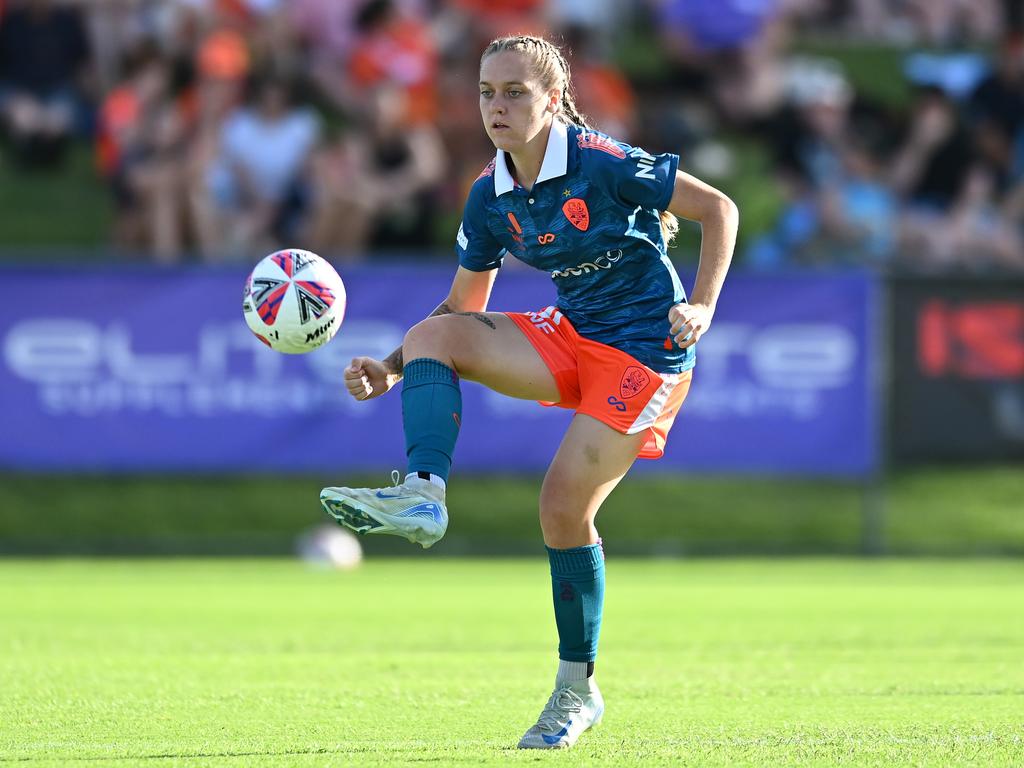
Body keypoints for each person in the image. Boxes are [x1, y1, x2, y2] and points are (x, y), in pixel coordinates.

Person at [319, 35, 737, 749]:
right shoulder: (489, 195)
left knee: (560, 510)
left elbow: (719, 209)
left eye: (514, 91)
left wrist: (701, 306)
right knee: (432, 337)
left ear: (553, 97)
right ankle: (424, 493)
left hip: (647, 351)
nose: (498, 106)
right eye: (486, 92)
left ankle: (576, 690)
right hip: (574, 334)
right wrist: (392, 367)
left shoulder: (602, 162)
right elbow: (461, 305)